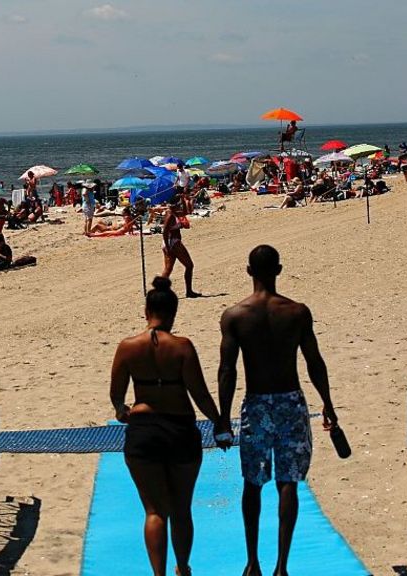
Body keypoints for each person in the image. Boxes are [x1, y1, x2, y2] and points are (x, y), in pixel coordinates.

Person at [216, 245, 341, 576]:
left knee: (252, 482)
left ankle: (252, 562)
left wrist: (222, 419)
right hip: (290, 401)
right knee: (288, 482)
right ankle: (282, 567)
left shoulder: (235, 316)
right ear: (280, 270)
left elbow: (227, 370)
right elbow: (314, 362)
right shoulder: (297, 312)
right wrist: (327, 404)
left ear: (248, 271)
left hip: (256, 403)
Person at [110, 276, 223, 576]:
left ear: (146, 312)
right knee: (181, 509)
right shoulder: (183, 347)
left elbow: (116, 396)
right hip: (180, 430)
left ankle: (158, 574)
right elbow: (200, 394)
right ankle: (182, 569)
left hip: (143, 432)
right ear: (173, 314)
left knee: (154, 510)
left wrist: (123, 412)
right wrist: (220, 422)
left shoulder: (127, 347)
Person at [161, 198, 201, 298]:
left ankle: (159, 292)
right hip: (173, 242)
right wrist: (168, 246)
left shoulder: (174, 213)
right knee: (189, 265)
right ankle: (189, 291)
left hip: (170, 242)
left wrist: (183, 198)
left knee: (168, 269)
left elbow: (186, 211)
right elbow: (165, 231)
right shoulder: (170, 215)